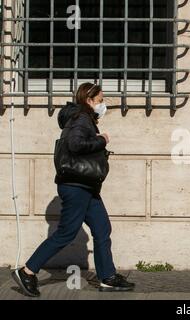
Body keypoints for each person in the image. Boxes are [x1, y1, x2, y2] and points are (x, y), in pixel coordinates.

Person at [12, 83, 135, 297]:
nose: (102, 105)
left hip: (85, 186)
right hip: (76, 186)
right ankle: (27, 271)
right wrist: (101, 140)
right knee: (66, 233)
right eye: (100, 100)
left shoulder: (82, 118)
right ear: (89, 100)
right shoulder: (81, 119)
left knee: (102, 228)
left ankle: (107, 276)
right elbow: (76, 145)